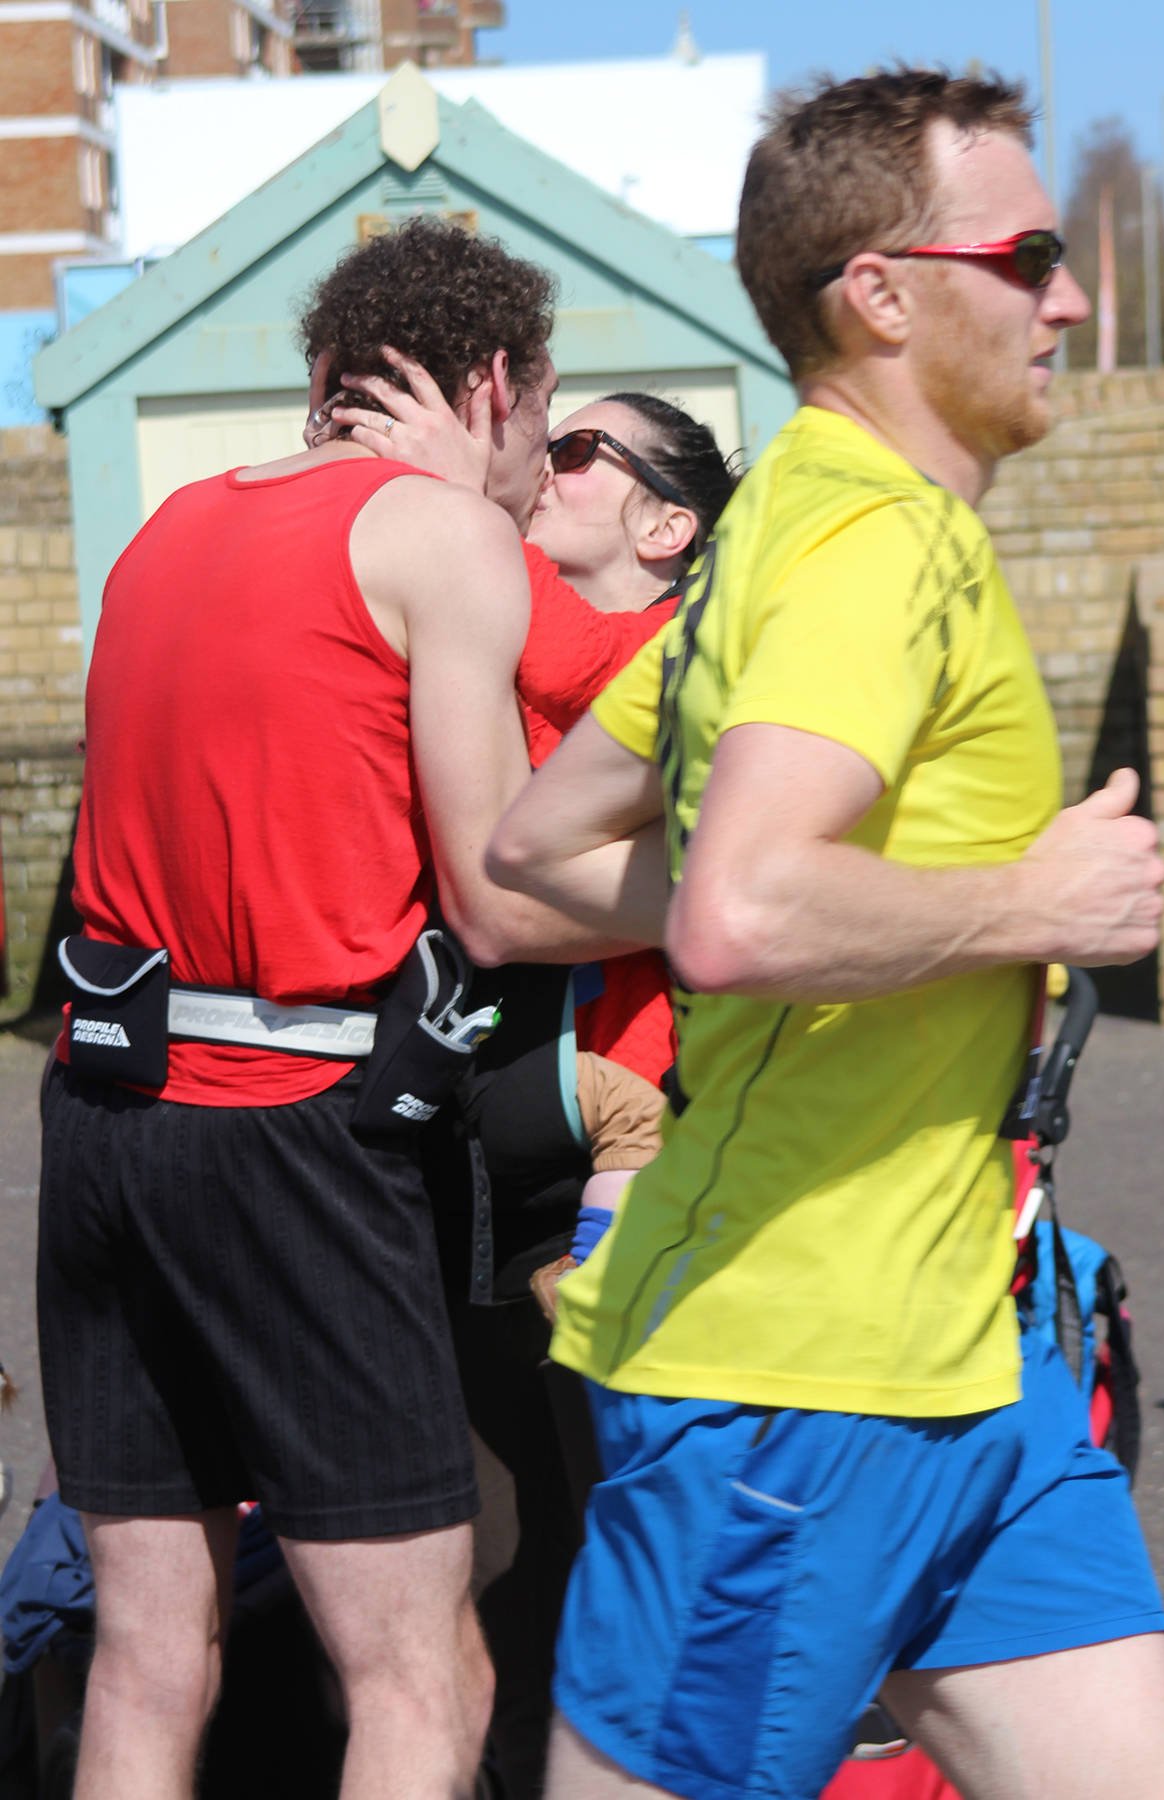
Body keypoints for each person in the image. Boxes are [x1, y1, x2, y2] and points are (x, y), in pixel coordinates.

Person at [486, 69, 1164, 1800]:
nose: (1072, 296)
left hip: (980, 1355)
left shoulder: (795, 532)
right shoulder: (866, 550)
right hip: (796, 1389)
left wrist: (827, 900)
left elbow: (530, 856)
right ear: (881, 293)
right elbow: (736, 910)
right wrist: (1035, 905)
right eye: (1028, 253)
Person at [36, 217, 663, 1800]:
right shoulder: (434, 540)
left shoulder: (166, 526)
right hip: (288, 1141)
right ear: (497, 385)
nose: (542, 469)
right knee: (418, 1672)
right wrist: (721, 901)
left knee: (148, 1657)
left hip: (105, 1127)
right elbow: (499, 896)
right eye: (551, 426)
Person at [314, 364, 738, 1796]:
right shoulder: (501, 633)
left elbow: (613, 690)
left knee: (628, 1523)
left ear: (668, 528)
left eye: (573, 449)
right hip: (467, 1161)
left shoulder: (700, 646)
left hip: (633, 1160)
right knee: (496, 1542)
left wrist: (459, 511)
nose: (536, 466)